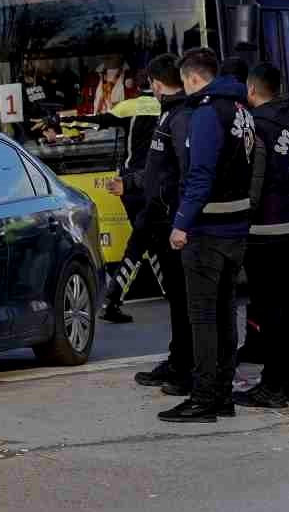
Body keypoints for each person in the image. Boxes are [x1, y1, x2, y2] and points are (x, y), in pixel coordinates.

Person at [160, 47, 255, 423]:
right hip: (235, 228)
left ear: (193, 78)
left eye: (185, 82)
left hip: (208, 231)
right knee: (225, 314)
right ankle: (223, 395)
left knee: (203, 317)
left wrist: (181, 223)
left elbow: (200, 174)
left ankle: (203, 399)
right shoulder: (241, 111)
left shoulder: (206, 114)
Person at [233, 62, 289, 406]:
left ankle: (272, 387)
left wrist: (243, 221)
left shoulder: (257, 126)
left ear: (252, 90)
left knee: (269, 308)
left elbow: (253, 182)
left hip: (266, 228)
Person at [59, 68, 167, 324]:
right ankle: (112, 297)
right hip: (155, 183)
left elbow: (95, 121)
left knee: (148, 238)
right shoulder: (170, 108)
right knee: (143, 240)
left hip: (128, 185)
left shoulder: (128, 107)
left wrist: (59, 122)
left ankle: (162, 291)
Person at [132, 56, 196, 392]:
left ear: (156, 83)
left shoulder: (180, 114)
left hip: (174, 221)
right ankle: (178, 359)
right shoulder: (171, 112)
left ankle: (186, 365)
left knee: (184, 299)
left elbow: (186, 171)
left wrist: (179, 218)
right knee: (176, 297)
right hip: (162, 217)